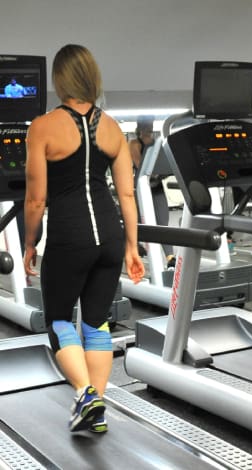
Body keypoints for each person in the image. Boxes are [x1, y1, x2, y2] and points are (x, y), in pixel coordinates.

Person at [23, 44, 145, 433]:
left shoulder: (42, 127)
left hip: (69, 238)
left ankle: (85, 393)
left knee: (60, 319)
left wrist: (29, 242)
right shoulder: (113, 128)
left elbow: (36, 198)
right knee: (96, 322)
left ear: (60, 80)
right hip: (109, 236)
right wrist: (131, 246)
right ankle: (94, 407)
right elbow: (127, 193)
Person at [129, 116, 175, 267]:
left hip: (156, 186)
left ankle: (170, 257)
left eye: (151, 124)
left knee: (162, 223)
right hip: (142, 187)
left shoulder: (156, 143)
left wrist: (165, 170)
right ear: (141, 125)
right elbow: (140, 165)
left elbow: (164, 162)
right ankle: (136, 247)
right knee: (140, 221)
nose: (150, 126)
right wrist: (154, 171)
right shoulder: (134, 143)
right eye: (148, 124)